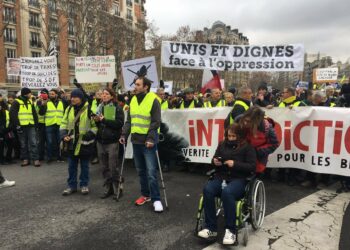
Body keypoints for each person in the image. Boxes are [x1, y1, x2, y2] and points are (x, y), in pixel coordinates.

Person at [197, 124, 256, 245]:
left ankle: (231, 231)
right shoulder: (222, 144)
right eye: (229, 135)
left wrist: (235, 164)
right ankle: (211, 228)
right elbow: (213, 159)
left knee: (227, 192)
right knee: (208, 189)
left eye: (234, 136)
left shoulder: (247, 147)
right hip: (221, 176)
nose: (231, 138)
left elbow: (252, 167)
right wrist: (215, 162)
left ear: (240, 136)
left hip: (238, 179)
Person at [120, 76, 164, 213]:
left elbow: (156, 121)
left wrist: (151, 138)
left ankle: (156, 199)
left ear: (145, 87)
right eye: (135, 84)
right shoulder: (133, 100)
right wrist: (124, 135)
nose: (135, 86)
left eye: (138, 84)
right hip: (136, 141)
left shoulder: (153, 100)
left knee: (151, 172)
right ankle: (145, 195)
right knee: (141, 171)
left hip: (148, 142)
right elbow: (130, 121)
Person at [60, 89, 97, 195]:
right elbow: (63, 123)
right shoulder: (68, 109)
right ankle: (71, 186)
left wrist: (87, 135)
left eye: (75, 97)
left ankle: (84, 185)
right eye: (71, 97)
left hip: (85, 143)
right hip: (71, 143)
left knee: (85, 166)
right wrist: (63, 135)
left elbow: (95, 127)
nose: (72, 99)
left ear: (80, 98)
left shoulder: (89, 109)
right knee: (71, 166)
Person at [94, 88, 124, 199]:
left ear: (112, 96)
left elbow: (119, 123)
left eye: (106, 94)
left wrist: (104, 120)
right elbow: (99, 124)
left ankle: (118, 188)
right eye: (103, 94)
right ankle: (109, 188)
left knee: (113, 166)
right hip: (100, 141)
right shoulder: (99, 107)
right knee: (104, 167)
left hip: (112, 142)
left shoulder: (117, 108)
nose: (104, 96)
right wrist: (96, 120)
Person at [239, 106, 279, 174]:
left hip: (257, 160)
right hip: (239, 156)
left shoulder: (267, 128)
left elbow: (274, 144)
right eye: (245, 120)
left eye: (249, 122)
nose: (245, 123)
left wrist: (255, 151)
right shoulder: (239, 120)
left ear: (257, 121)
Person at [9, 88, 40, 167]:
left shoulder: (30, 102)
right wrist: (18, 125)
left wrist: (36, 124)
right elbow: (13, 115)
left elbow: (34, 114)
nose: (31, 95)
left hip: (31, 125)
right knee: (23, 144)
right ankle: (25, 159)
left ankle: (36, 159)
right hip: (21, 126)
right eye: (30, 93)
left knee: (33, 143)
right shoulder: (16, 102)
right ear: (26, 94)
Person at [39, 89, 64, 162]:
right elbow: (41, 113)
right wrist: (42, 106)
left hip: (59, 124)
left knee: (59, 141)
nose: (50, 95)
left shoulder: (61, 102)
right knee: (49, 142)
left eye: (52, 94)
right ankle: (49, 157)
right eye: (49, 94)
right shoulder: (46, 102)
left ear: (56, 94)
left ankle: (59, 157)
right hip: (49, 124)